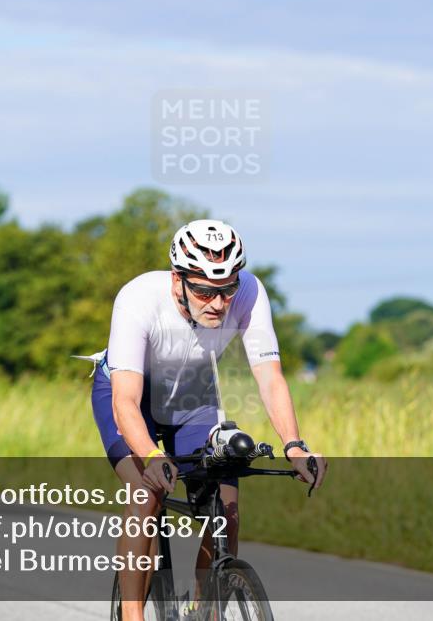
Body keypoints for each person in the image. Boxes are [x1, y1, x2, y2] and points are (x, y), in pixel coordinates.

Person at [86, 218, 327, 621]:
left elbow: (269, 377)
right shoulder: (138, 298)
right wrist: (150, 454)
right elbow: (125, 403)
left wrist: (295, 446)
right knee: (147, 494)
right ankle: (132, 615)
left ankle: (205, 611)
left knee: (225, 508)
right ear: (177, 278)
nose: (218, 303)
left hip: (194, 396)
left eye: (226, 289)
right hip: (130, 394)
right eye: (203, 291)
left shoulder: (250, 291)